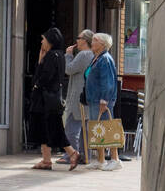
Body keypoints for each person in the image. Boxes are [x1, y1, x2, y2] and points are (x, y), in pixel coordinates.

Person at [28, 27, 82, 171]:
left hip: (46, 100)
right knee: (47, 129)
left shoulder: (51, 56)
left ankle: (72, 153)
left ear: (50, 41)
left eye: (43, 39)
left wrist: (39, 66)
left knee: (53, 129)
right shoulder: (60, 55)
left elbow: (45, 76)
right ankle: (47, 160)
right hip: (53, 99)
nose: (42, 42)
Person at [84, 32, 120, 170]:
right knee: (97, 129)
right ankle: (101, 159)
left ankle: (115, 159)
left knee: (107, 128)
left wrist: (104, 100)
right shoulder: (96, 58)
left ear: (102, 44)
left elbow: (108, 81)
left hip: (102, 100)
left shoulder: (105, 59)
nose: (92, 42)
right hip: (94, 99)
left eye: (95, 40)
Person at [60, 31, 96, 163]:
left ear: (84, 40)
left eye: (78, 38)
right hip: (87, 96)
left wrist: (68, 55)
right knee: (85, 129)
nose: (76, 40)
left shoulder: (83, 54)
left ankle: (71, 156)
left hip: (77, 97)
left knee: (71, 127)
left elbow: (69, 69)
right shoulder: (93, 55)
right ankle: (85, 156)